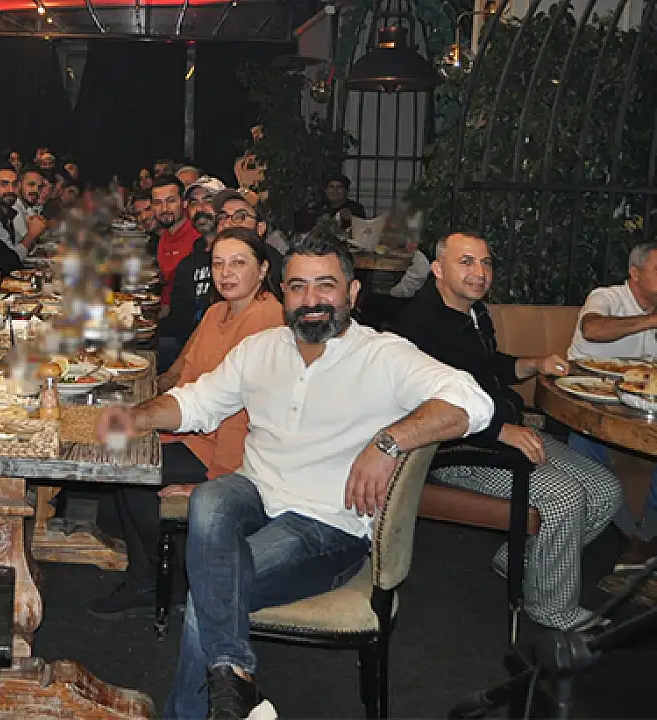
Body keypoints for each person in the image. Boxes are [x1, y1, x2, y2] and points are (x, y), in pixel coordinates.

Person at [97, 232, 494, 718]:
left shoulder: (384, 356)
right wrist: (134, 418)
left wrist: (388, 441)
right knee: (210, 498)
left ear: (352, 293)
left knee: (211, 593)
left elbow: (474, 402)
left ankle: (212, 703)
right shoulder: (262, 348)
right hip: (254, 493)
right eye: (298, 287)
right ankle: (234, 682)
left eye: (325, 285)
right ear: (283, 293)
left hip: (325, 523)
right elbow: (198, 402)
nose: (311, 300)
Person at [394, 232, 621, 630]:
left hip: (501, 431)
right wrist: (499, 431)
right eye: (466, 262)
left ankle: (518, 557)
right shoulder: (420, 325)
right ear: (438, 270)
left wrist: (533, 363)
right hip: (453, 450)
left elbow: (489, 366)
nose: (480, 272)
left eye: (486, 262)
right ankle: (551, 609)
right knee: (566, 498)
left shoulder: (475, 313)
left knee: (606, 490)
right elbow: (426, 405)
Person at [89, 230, 284, 619]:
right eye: (218, 264)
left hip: (231, 451)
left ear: (263, 270)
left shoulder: (267, 320)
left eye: (238, 263)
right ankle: (146, 576)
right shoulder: (217, 312)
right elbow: (183, 371)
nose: (226, 273)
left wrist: (218, 481)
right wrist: (146, 395)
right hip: (194, 430)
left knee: (131, 470)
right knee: (120, 457)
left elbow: (246, 414)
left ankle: (174, 578)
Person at [566, 241, 657, 564]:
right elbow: (592, 328)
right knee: (586, 442)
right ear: (635, 273)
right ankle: (631, 535)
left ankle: (646, 533)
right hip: (586, 402)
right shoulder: (607, 297)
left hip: (642, 409)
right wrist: (650, 321)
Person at [158, 179, 227, 364]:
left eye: (208, 200)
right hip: (186, 348)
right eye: (194, 203)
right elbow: (178, 317)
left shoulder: (237, 258)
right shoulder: (188, 264)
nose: (200, 208)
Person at [151, 174, 198, 308]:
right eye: (158, 203)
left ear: (184, 203)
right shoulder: (165, 235)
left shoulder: (197, 237)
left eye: (171, 201)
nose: (164, 209)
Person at [0, 166, 29, 258]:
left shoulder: (9, 214)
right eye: (4, 184)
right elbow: (10, 259)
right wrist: (32, 235)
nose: (11, 190)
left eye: (14, 185)